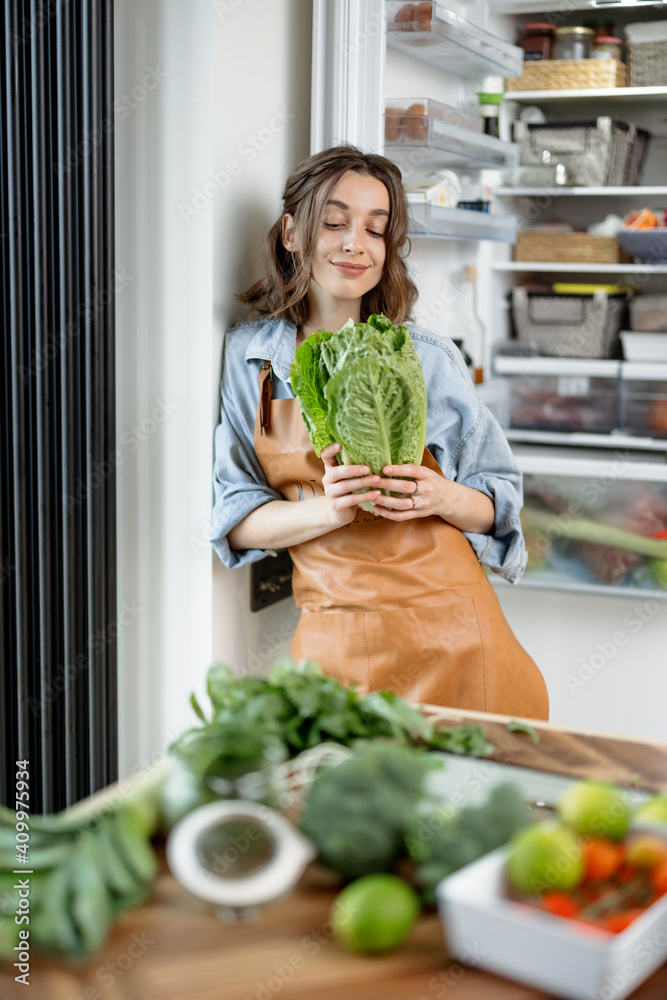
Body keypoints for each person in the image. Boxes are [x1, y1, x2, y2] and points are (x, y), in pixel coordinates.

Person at [211, 144, 549, 720]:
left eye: (376, 229)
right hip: (336, 645)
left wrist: (443, 496)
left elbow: (501, 505)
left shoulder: (426, 357)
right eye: (335, 222)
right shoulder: (253, 359)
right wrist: (330, 511)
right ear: (292, 233)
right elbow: (237, 518)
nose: (355, 244)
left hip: (461, 647)